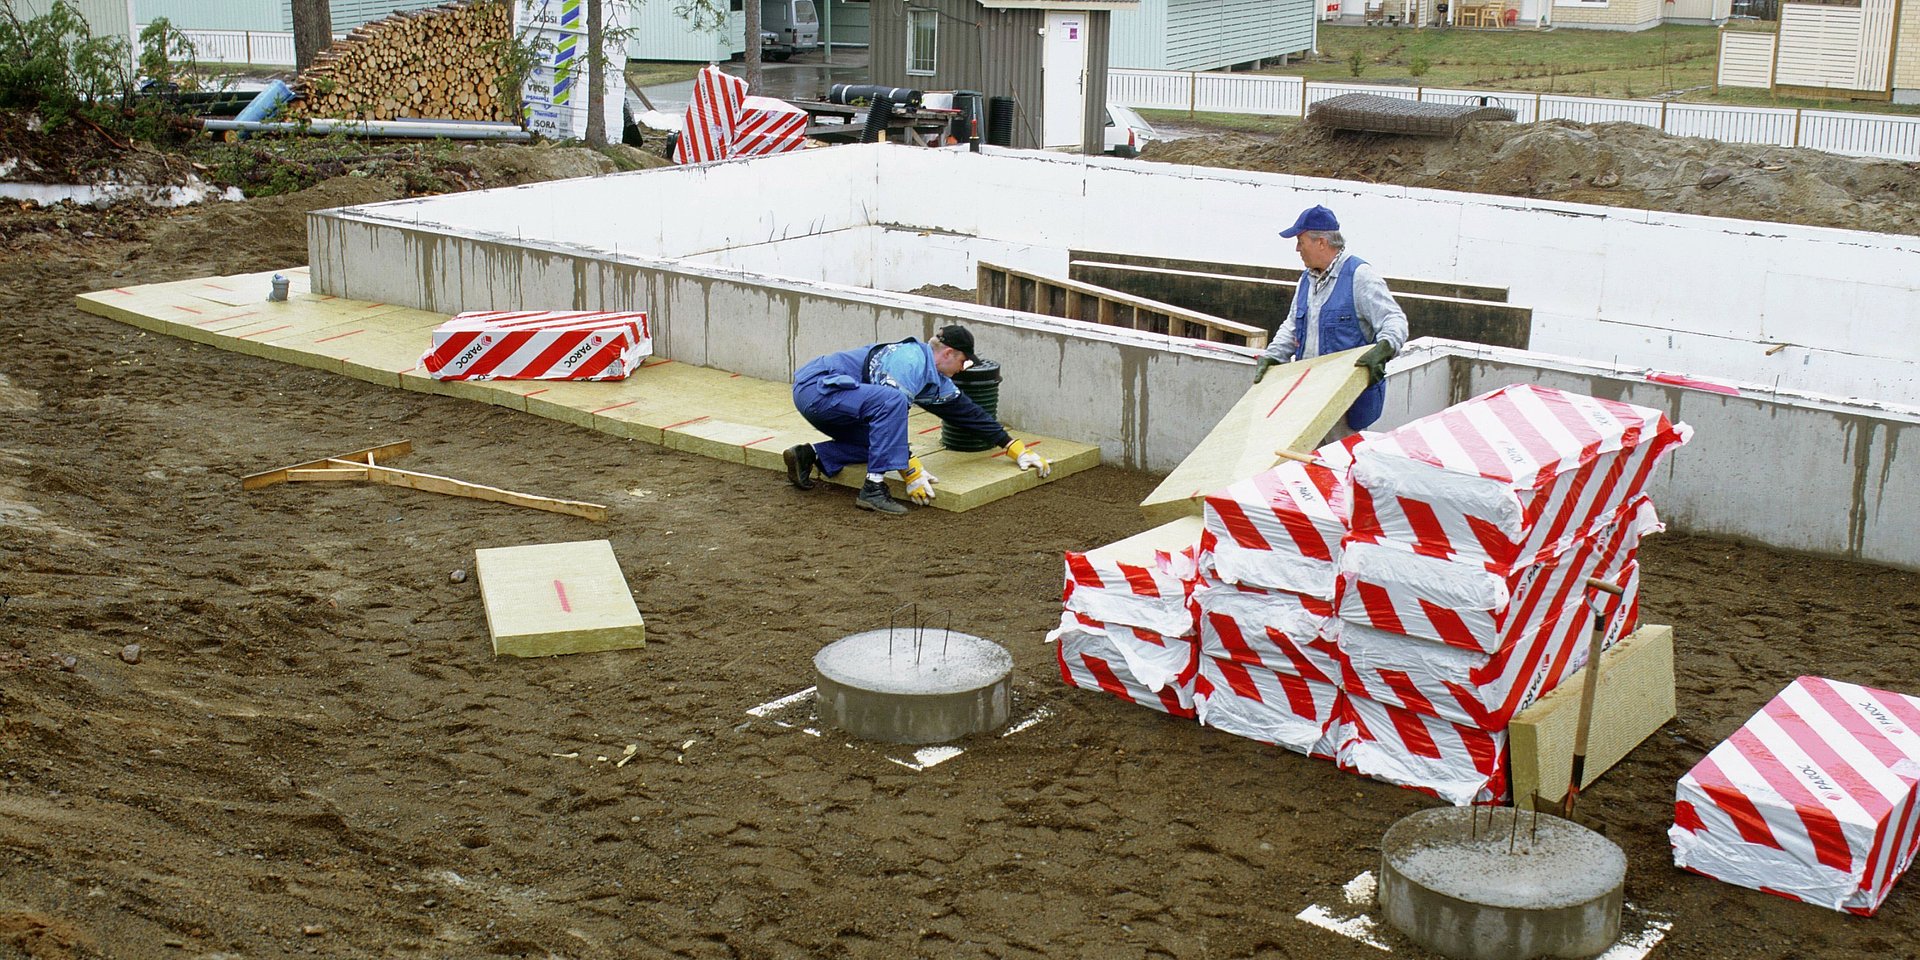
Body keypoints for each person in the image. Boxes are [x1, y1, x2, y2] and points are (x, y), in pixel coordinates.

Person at [783, 324, 1052, 515]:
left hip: (836, 399)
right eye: (964, 362)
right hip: (817, 389)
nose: (963, 368)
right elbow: (889, 410)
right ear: (948, 353)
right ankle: (873, 490)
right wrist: (910, 469)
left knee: (884, 445)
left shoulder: (934, 376)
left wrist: (1014, 447)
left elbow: (966, 413)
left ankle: (810, 455)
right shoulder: (909, 361)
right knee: (892, 407)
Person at [1252, 205, 1409, 434]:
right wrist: (1273, 356)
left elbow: (1394, 320)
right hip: (1309, 399)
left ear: (1321, 242)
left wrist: (1383, 349)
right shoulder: (1307, 279)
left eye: (1300, 241)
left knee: (1339, 465)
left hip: (1345, 405)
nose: (1297, 249)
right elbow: (1293, 326)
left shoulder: (1359, 276)